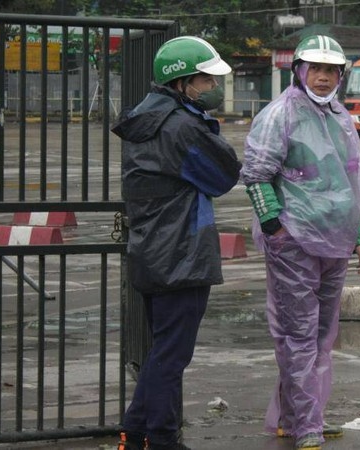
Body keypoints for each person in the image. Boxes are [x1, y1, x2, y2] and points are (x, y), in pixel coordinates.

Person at [240, 35, 360, 450]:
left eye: (331, 70)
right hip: (294, 243)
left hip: (336, 242)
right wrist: (275, 229)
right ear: (299, 70)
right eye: (315, 69)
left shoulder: (339, 116)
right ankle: (306, 425)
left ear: (340, 75)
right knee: (298, 334)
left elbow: (347, 182)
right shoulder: (280, 114)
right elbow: (256, 176)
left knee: (321, 335)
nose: (322, 77)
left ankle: (296, 416)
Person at [111, 36, 241, 450]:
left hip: (150, 252)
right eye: (205, 80)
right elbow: (223, 175)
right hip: (182, 253)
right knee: (170, 356)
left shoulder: (145, 119)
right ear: (183, 81)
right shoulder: (182, 126)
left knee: (162, 353)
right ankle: (159, 438)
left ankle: (140, 434)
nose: (211, 88)